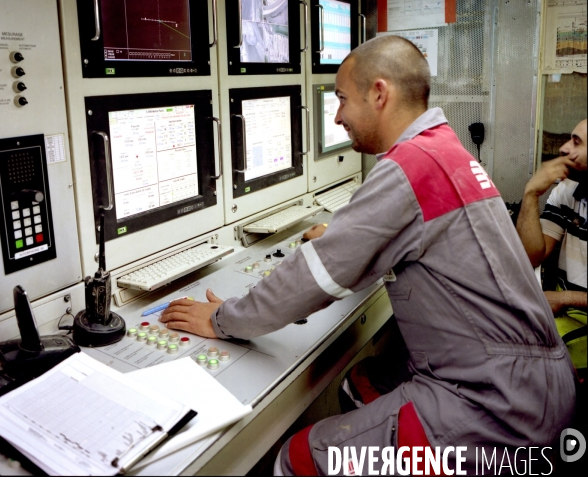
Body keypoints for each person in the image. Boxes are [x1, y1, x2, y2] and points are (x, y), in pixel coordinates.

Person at [161, 36, 575, 475]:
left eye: (341, 99)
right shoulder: (444, 151)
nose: (337, 116)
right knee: (362, 384)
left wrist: (223, 320)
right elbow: (423, 237)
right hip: (539, 387)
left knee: (297, 458)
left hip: (492, 412)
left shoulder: (410, 167)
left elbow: (312, 279)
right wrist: (347, 236)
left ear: (379, 94)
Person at [516, 119, 587, 370]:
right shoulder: (568, 190)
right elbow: (531, 256)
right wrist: (531, 194)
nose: (564, 148)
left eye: (577, 142)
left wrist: (565, 297)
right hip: (566, 310)